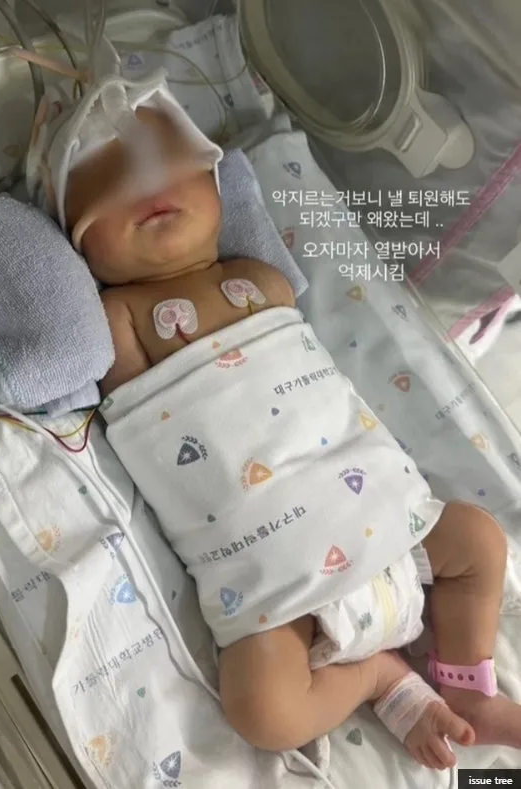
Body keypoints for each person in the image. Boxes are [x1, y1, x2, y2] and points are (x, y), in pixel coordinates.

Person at [59, 100, 517, 772]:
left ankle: (467, 681)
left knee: (478, 539)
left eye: (173, 166)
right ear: (79, 244)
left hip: (389, 520)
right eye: (108, 181)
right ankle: (379, 676)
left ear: (220, 193)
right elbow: (71, 349)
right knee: (266, 712)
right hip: (276, 583)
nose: (147, 183)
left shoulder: (262, 279)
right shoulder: (120, 315)